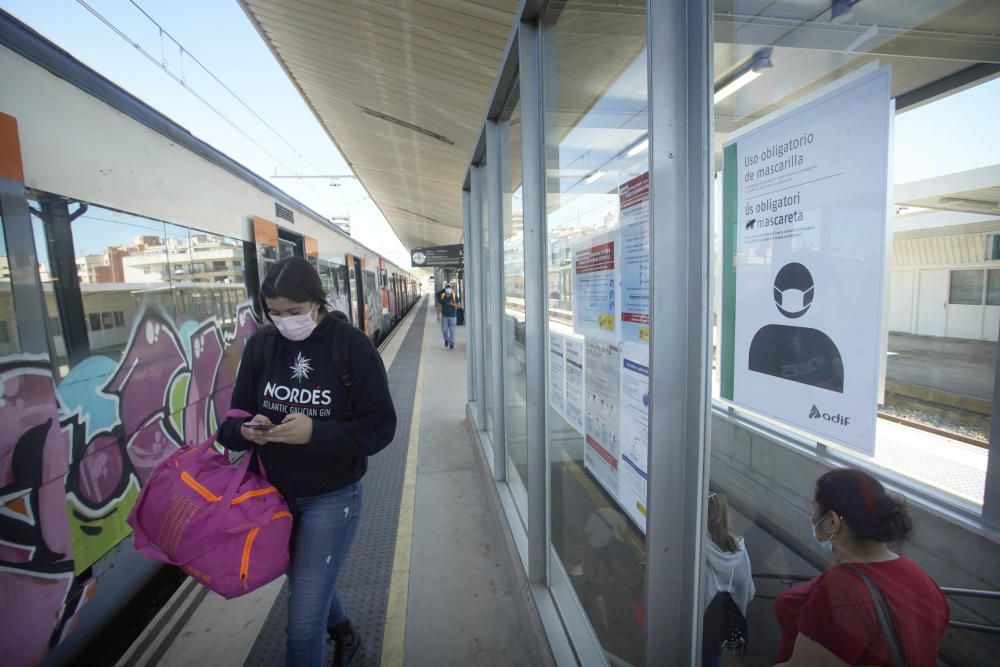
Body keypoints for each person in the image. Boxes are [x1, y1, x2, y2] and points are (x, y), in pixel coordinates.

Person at [219, 257, 397, 667]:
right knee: (307, 579)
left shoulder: (350, 347)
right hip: (270, 498)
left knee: (302, 619)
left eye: (294, 313)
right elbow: (231, 422)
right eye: (274, 313)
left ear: (317, 302)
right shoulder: (262, 346)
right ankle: (346, 633)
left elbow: (380, 428)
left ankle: (338, 636)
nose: (284, 322)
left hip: (331, 498)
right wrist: (246, 429)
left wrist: (315, 433)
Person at [774, 468, 949, 667]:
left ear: (832, 522)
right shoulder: (920, 578)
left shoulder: (841, 593)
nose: (812, 517)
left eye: (814, 508)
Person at [703, 492, 755, 667]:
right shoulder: (739, 549)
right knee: (714, 655)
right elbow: (750, 593)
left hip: (700, 624)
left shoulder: (699, 548)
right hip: (724, 624)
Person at [436, 282, 463, 349]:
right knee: (444, 330)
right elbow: (438, 306)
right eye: (447, 288)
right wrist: (438, 315)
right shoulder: (442, 296)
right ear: (445, 289)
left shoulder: (454, 296)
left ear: (451, 289)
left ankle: (451, 344)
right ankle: (446, 339)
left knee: (452, 331)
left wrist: (453, 305)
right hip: (444, 316)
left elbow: (460, 306)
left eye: (449, 288)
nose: (448, 289)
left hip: (453, 317)